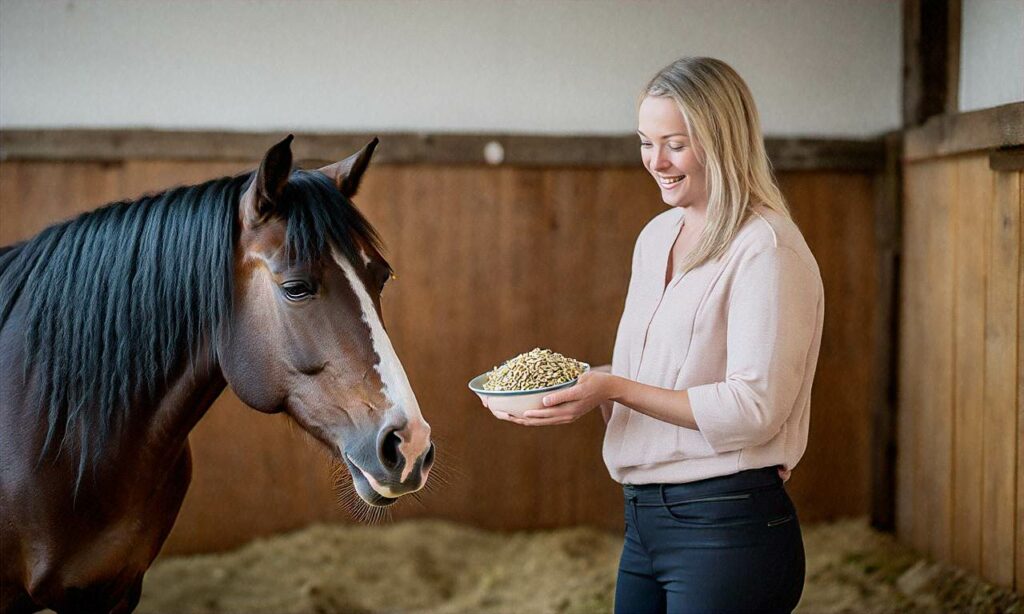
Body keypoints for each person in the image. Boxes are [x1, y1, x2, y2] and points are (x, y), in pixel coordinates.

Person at [485, 57, 823, 613]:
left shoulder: (766, 247)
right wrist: (585, 387)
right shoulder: (656, 236)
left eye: (675, 143)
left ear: (724, 141)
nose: (656, 162)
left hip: (727, 524)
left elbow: (755, 408)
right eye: (645, 142)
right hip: (643, 520)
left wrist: (612, 389)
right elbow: (657, 382)